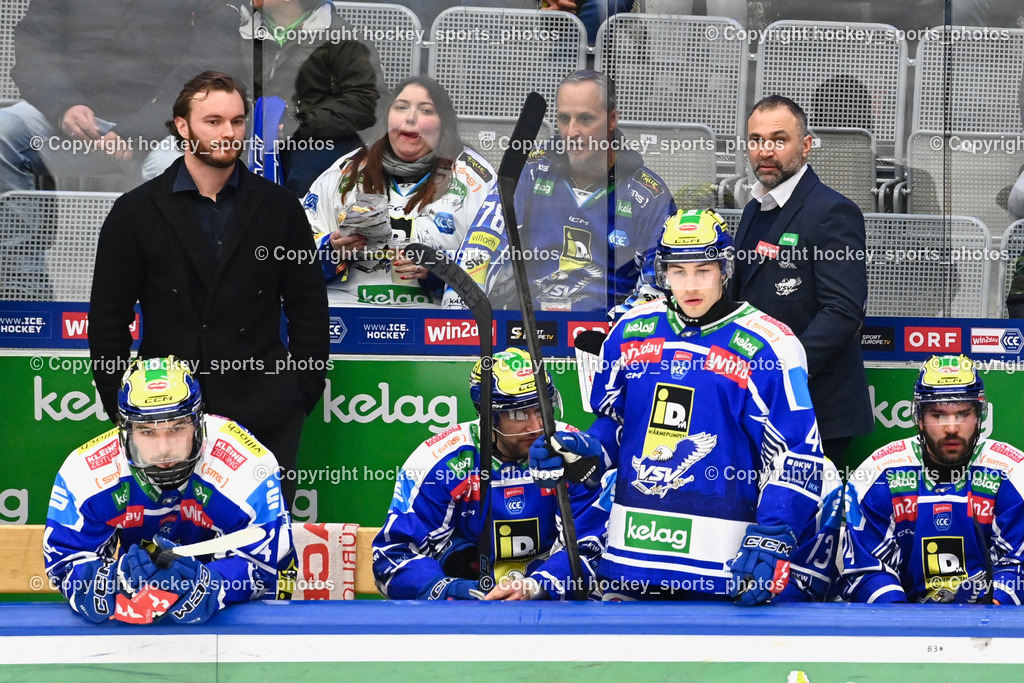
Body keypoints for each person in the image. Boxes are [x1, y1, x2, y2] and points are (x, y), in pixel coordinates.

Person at [532, 209, 837, 602]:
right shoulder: (630, 332)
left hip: (724, 564)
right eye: (678, 271)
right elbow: (618, 426)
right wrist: (585, 452)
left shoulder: (771, 344)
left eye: (703, 270)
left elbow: (798, 454)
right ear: (662, 273)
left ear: (725, 270)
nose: (690, 285)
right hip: (632, 560)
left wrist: (774, 534)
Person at [87, 71, 329, 507]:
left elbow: (309, 309)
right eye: (213, 121)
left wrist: (300, 392)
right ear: (183, 126)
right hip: (162, 417)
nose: (228, 133)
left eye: (237, 122)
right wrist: (120, 404)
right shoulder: (134, 212)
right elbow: (107, 317)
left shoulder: (280, 209)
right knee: (165, 554)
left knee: (258, 549)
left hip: (264, 412)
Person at [0, 1, 241, 300]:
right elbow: (35, 45)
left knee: (184, 167)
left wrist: (137, 129)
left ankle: (177, 305)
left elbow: (213, 62)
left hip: (164, 125)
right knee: (4, 132)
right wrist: (64, 106)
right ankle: (22, 295)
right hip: (69, 119)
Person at [44, 357, 294, 624]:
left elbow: (274, 570)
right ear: (124, 430)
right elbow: (66, 562)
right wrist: (113, 580)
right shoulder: (85, 471)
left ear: (198, 423)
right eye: (147, 432)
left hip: (231, 626)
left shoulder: (247, 463)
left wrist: (211, 585)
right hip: (136, 633)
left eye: (177, 428)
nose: (164, 449)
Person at [372, 347, 606, 600]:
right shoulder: (441, 461)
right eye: (519, 414)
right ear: (489, 417)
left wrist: (536, 588)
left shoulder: (573, 453)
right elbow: (393, 555)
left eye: (542, 409)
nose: (536, 426)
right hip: (469, 615)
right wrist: (445, 590)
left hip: (551, 607)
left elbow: (591, 547)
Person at [442, 70, 676, 316]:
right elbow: (481, 245)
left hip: (608, 337)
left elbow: (660, 287)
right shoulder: (529, 169)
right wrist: (457, 321)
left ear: (612, 119)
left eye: (585, 119)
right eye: (564, 118)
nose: (571, 132)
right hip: (527, 334)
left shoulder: (649, 194)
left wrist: (607, 334)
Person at [728, 95, 871, 464]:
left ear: (805, 146)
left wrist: (781, 371)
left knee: (805, 522)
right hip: (757, 407)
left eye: (779, 139)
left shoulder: (832, 210)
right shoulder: (753, 209)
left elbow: (843, 311)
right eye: (757, 140)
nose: (765, 151)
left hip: (815, 411)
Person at [840, 354, 1024, 605]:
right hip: (903, 625)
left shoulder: (1012, 472)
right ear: (919, 419)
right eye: (938, 415)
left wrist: (991, 607)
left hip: (988, 625)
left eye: (962, 414)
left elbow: (1018, 564)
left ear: (979, 416)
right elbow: (868, 569)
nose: (951, 427)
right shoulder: (879, 473)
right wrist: (907, 624)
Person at [303, 76, 496, 307]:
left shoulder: (473, 178)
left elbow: (496, 264)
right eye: (401, 107)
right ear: (388, 117)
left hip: (433, 327)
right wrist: (331, 251)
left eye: (426, 110)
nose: (410, 118)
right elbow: (294, 256)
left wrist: (437, 269)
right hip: (346, 321)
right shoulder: (346, 172)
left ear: (443, 123)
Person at [239, 0, 386, 195]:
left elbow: (366, 103)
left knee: (305, 182)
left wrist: (299, 124)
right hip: (247, 137)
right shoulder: (236, 30)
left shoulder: (341, 36)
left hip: (316, 143)